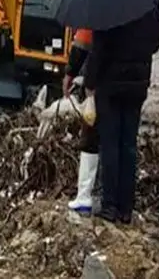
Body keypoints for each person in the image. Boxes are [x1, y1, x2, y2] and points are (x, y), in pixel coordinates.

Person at [83, 0, 159, 224]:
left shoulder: (109, 0)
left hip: (111, 85)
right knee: (128, 145)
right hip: (137, 86)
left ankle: (110, 205)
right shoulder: (150, 0)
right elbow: (155, 43)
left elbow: (99, 47)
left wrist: (90, 81)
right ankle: (126, 208)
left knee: (110, 144)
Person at [63, 28, 98, 213]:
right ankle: (116, 204)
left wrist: (71, 73)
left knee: (91, 137)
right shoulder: (140, 9)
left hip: (99, 84)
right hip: (131, 87)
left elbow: (83, 43)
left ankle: (84, 196)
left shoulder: (96, 8)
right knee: (121, 142)